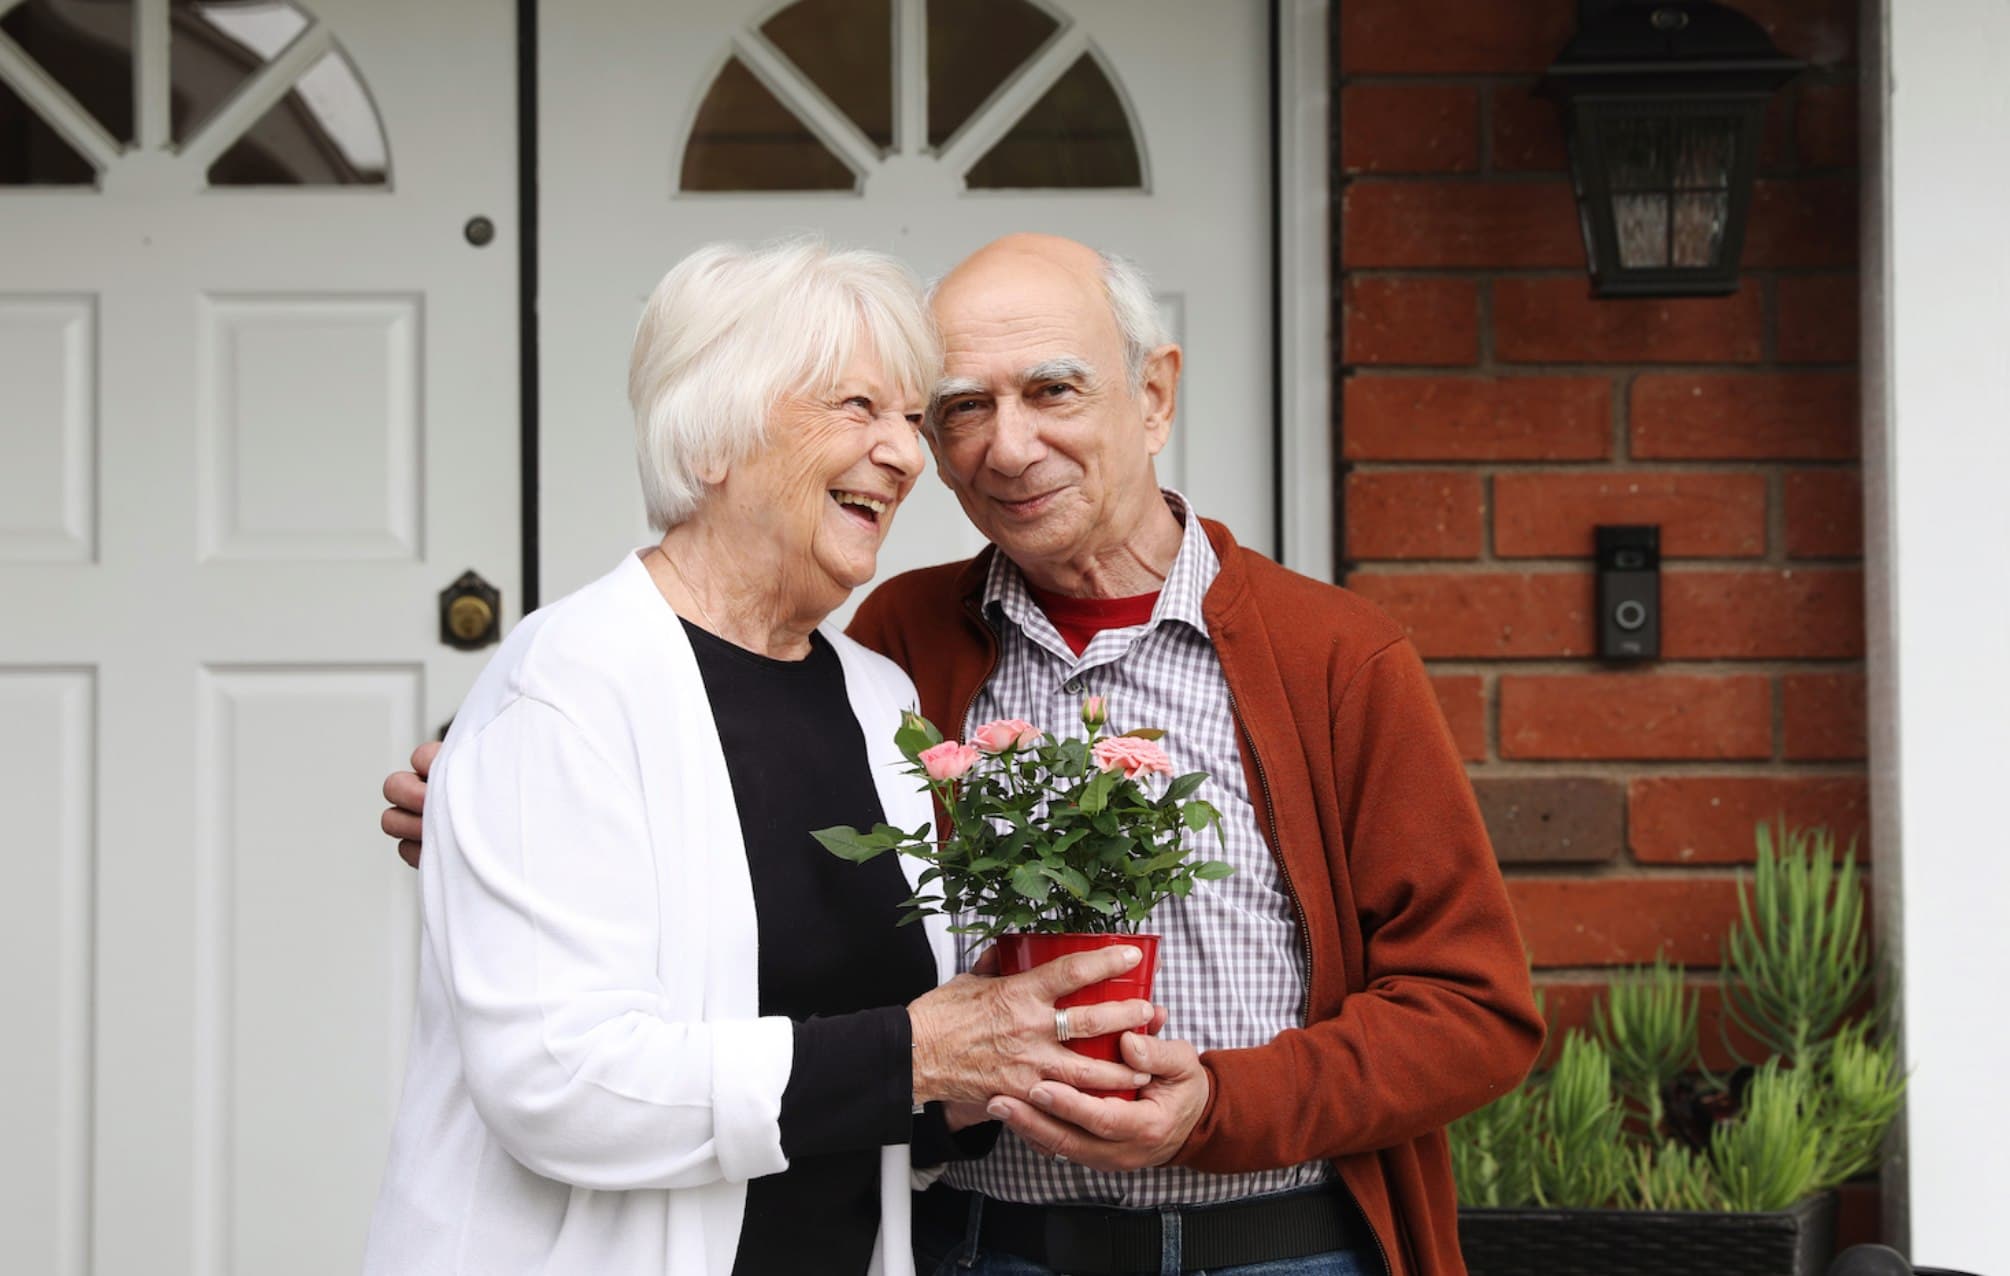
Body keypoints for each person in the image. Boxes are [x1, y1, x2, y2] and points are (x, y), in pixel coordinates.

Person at [384, 234, 1545, 1276]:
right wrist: (497, 795)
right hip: (984, 1250)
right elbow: (729, 839)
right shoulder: (897, 649)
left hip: (1268, 1248)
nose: (1002, 444)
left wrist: (1221, 1105)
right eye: (956, 409)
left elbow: (1475, 1009)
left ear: (1154, 395)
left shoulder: (1332, 658)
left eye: (1052, 389)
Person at [362, 238, 1166, 1276]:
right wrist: (915, 1053)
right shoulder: (568, 687)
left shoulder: (879, 701)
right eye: (857, 408)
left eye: (913, 420)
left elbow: (851, 1085)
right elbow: (559, 1083)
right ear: (712, 439)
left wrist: (975, 1086)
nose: (909, 453)